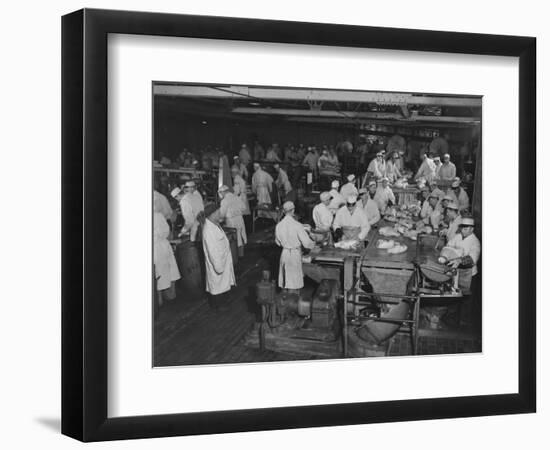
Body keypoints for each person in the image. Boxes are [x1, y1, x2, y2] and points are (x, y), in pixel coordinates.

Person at [198, 207, 236, 310]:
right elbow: (212, 251)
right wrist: (218, 266)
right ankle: (218, 306)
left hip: (223, 260)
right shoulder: (208, 230)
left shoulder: (214, 225)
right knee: (217, 285)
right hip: (217, 262)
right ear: (212, 214)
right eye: (218, 212)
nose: (220, 214)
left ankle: (223, 303)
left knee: (222, 284)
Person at [275, 201, 315, 293]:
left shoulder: (279, 225)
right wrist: (314, 243)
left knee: (285, 281)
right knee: (295, 284)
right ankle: (293, 303)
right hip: (294, 255)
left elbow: (277, 242)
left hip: (284, 254)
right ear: (293, 210)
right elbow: (307, 243)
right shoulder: (297, 225)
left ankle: (285, 301)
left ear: (284, 211)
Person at [153, 211, 180, 303]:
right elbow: (167, 232)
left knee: (157, 277)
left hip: (155, 248)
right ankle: (171, 297)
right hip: (164, 246)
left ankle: (159, 302)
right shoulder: (158, 215)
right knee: (169, 273)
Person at [218, 185, 247, 258]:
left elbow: (222, 213)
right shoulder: (236, 197)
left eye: (221, 193)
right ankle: (241, 254)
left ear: (223, 192)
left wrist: (220, 218)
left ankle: (235, 256)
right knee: (241, 235)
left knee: (233, 238)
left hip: (231, 221)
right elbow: (244, 207)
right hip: (240, 218)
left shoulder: (224, 201)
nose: (221, 195)